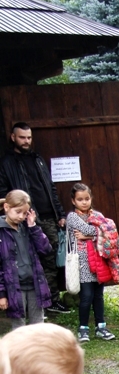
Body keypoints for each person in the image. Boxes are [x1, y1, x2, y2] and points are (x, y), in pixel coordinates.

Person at [0, 121, 70, 314]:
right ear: (13, 137)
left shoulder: (38, 159)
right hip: (24, 218)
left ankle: (51, 301)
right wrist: (14, 214)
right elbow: (3, 193)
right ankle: (33, 304)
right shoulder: (7, 163)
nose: (26, 141)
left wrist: (59, 213)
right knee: (28, 260)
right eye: (22, 137)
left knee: (50, 259)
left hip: (48, 217)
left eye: (29, 137)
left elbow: (50, 188)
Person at [67, 183, 116, 342]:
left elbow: (109, 231)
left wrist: (89, 236)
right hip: (83, 263)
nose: (84, 202)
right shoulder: (72, 217)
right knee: (86, 296)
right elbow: (98, 229)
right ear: (73, 201)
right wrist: (97, 233)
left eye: (87, 198)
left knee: (98, 296)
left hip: (98, 261)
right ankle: (83, 328)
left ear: (91, 198)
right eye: (80, 199)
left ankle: (101, 326)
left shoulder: (97, 214)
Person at [0, 190, 52, 328]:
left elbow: (45, 249)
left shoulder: (28, 227)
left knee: (38, 325)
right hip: (14, 287)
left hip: (35, 283)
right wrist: (1, 294)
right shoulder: (1, 231)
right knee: (19, 327)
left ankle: (38, 344)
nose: (21, 216)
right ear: (6, 207)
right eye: (18, 212)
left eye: (25, 213)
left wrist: (33, 227)